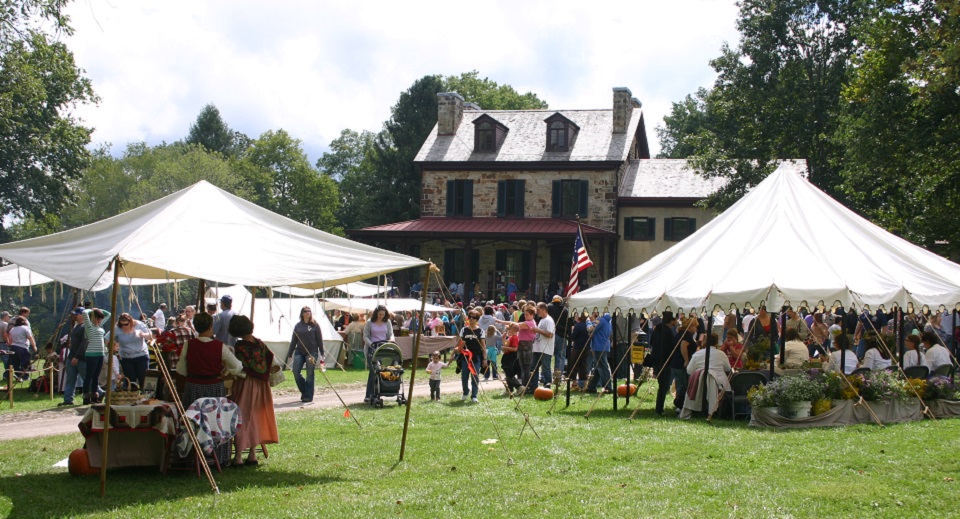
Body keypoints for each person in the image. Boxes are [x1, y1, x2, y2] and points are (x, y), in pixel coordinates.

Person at [176, 312, 244, 465]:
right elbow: (237, 366)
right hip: (214, 387)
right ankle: (218, 456)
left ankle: (194, 457)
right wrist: (226, 375)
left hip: (193, 387)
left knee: (195, 422)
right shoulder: (219, 346)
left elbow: (181, 369)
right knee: (215, 422)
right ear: (210, 326)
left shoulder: (189, 344)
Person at [229, 315, 279, 467]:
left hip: (246, 383)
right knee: (256, 417)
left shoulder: (240, 347)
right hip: (262, 385)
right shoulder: (261, 344)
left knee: (241, 416)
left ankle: (238, 456)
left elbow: (237, 367)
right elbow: (269, 361)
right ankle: (252, 454)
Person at [286, 306, 324, 403]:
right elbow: (294, 339)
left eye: (309, 311)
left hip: (312, 352)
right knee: (295, 372)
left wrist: (322, 352)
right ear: (302, 314)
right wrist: (290, 352)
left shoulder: (315, 325)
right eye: (305, 311)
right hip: (299, 351)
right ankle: (305, 391)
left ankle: (308, 396)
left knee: (310, 374)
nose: (307, 313)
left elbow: (319, 339)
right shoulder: (298, 326)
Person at [363, 305, 395, 403]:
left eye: (383, 314)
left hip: (383, 348)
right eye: (380, 314)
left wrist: (391, 341)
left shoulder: (387, 322)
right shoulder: (369, 322)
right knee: (373, 371)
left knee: (383, 371)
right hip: (372, 348)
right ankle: (369, 394)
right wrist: (371, 344)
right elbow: (365, 336)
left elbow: (390, 334)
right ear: (376, 313)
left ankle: (379, 392)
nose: (381, 316)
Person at [81, 308, 111, 404]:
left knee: (96, 376)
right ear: (94, 318)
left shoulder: (99, 326)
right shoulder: (89, 326)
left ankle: (94, 396)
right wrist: (92, 310)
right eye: (98, 318)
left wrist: (98, 309)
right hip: (91, 354)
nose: (100, 321)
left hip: (100, 354)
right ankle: (86, 397)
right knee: (89, 376)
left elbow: (108, 314)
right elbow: (84, 312)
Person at [114, 313, 152, 389]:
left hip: (141, 355)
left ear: (130, 322)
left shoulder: (139, 324)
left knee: (143, 377)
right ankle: (131, 396)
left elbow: (150, 336)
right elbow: (108, 339)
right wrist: (113, 348)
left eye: (126, 324)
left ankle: (144, 395)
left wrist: (143, 335)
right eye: (122, 325)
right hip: (126, 357)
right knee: (130, 379)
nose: (124, 327)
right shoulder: (117, 328)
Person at [650, 311, 678, 415]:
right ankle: (659, 409)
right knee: (664, 386)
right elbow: (671, 347)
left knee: (662, 385)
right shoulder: (668, 331)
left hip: (655, 360)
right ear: (672, 320)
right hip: (664, 361)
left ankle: (659, 408)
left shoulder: (657, 328)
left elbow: (651, 342)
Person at [456, 311, 485, 402]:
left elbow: (483, 346)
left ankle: (474, 395)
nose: (471, 319)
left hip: (476, 357)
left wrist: (484, 358)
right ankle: (465, 392)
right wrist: (459, 347)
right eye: (470, 317)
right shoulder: (464, 330)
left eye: (474, 317)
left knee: (475, 376)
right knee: (464, 375)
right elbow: (459, 343)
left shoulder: (481, 331)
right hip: (465, 357)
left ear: (477, 319)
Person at [59, 308, 87, 406]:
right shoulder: (75, 326)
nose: (74, 316)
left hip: (81, 358)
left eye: (76, 314)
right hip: (72, 356)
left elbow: (84, 343)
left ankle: (99, 393)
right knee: (70, 379)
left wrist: (77, 356)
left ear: (82, 315)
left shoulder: (85, 327)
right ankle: (68, 399)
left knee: (86, 378)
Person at [672, 317, 699, 409]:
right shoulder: (686, 335)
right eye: (695, 326)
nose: (696, 329)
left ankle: (679, 404)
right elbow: (683, 346)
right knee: (683, 385)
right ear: (690, 326)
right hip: (681, 364)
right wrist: (686, 360)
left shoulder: (679, 333)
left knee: (679, 384)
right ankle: (681, 405)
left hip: (675, 363)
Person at [587, 312, 613, 394]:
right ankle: (592, 386)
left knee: (602, 367)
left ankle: (609, 387)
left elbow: (590, 328)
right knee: (597, 368)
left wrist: (588, 320)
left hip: (599, 346)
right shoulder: (608, 320)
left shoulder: (600, 320)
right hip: (604, 345)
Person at [532, 302, 556, 388]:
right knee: (533, 368)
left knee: (545, 369)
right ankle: (533, 387)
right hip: (537, 348)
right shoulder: (542, 320)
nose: (536, 312)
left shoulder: (549, 320)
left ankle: (547, 386)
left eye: (538, 310)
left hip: (545, 349)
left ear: (543, 309)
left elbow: (550, 334)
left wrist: (537, 330)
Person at [546, 295, 570, 381]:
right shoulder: (566, 310)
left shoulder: (548, 307)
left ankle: (545, 375)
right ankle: (558, 376)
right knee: (560, 356)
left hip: (549, 334)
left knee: (547, 355)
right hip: (562, 335)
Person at [500, 323, 522, 394]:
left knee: (508, 372)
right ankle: (509, 389)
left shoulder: (515, 337)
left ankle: (519, 386)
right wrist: (503, 339)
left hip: (511, 356)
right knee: (507, 372)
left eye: (510, 328)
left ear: (514, 329)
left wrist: (504, 348)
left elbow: (515, 349)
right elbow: (506, 344)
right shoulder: (511, 337)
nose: (508, 329)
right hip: (507, 356)